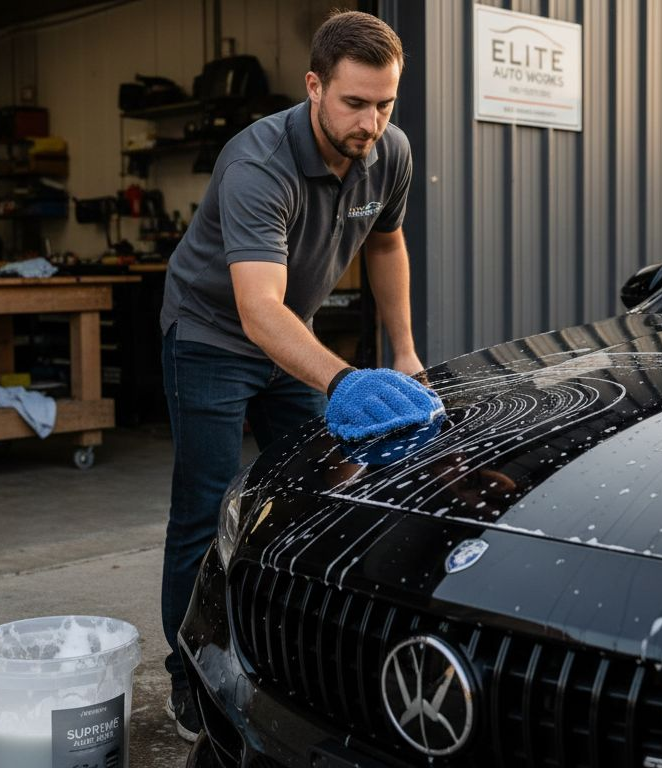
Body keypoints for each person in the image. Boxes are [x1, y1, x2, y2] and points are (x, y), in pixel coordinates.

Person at [157, 10, 439, 742]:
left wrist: (404, 349)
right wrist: (344, 380)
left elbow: (386, 245)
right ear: (314, 87)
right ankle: (188, 676)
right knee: (207, 506)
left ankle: (296, 657)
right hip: (212, 337)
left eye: (385, 103)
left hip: (290, 338)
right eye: (354, 103)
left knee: (321, 493)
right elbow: (256, 310)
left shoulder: (390, 152)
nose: (371, 122)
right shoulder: (257, 163)